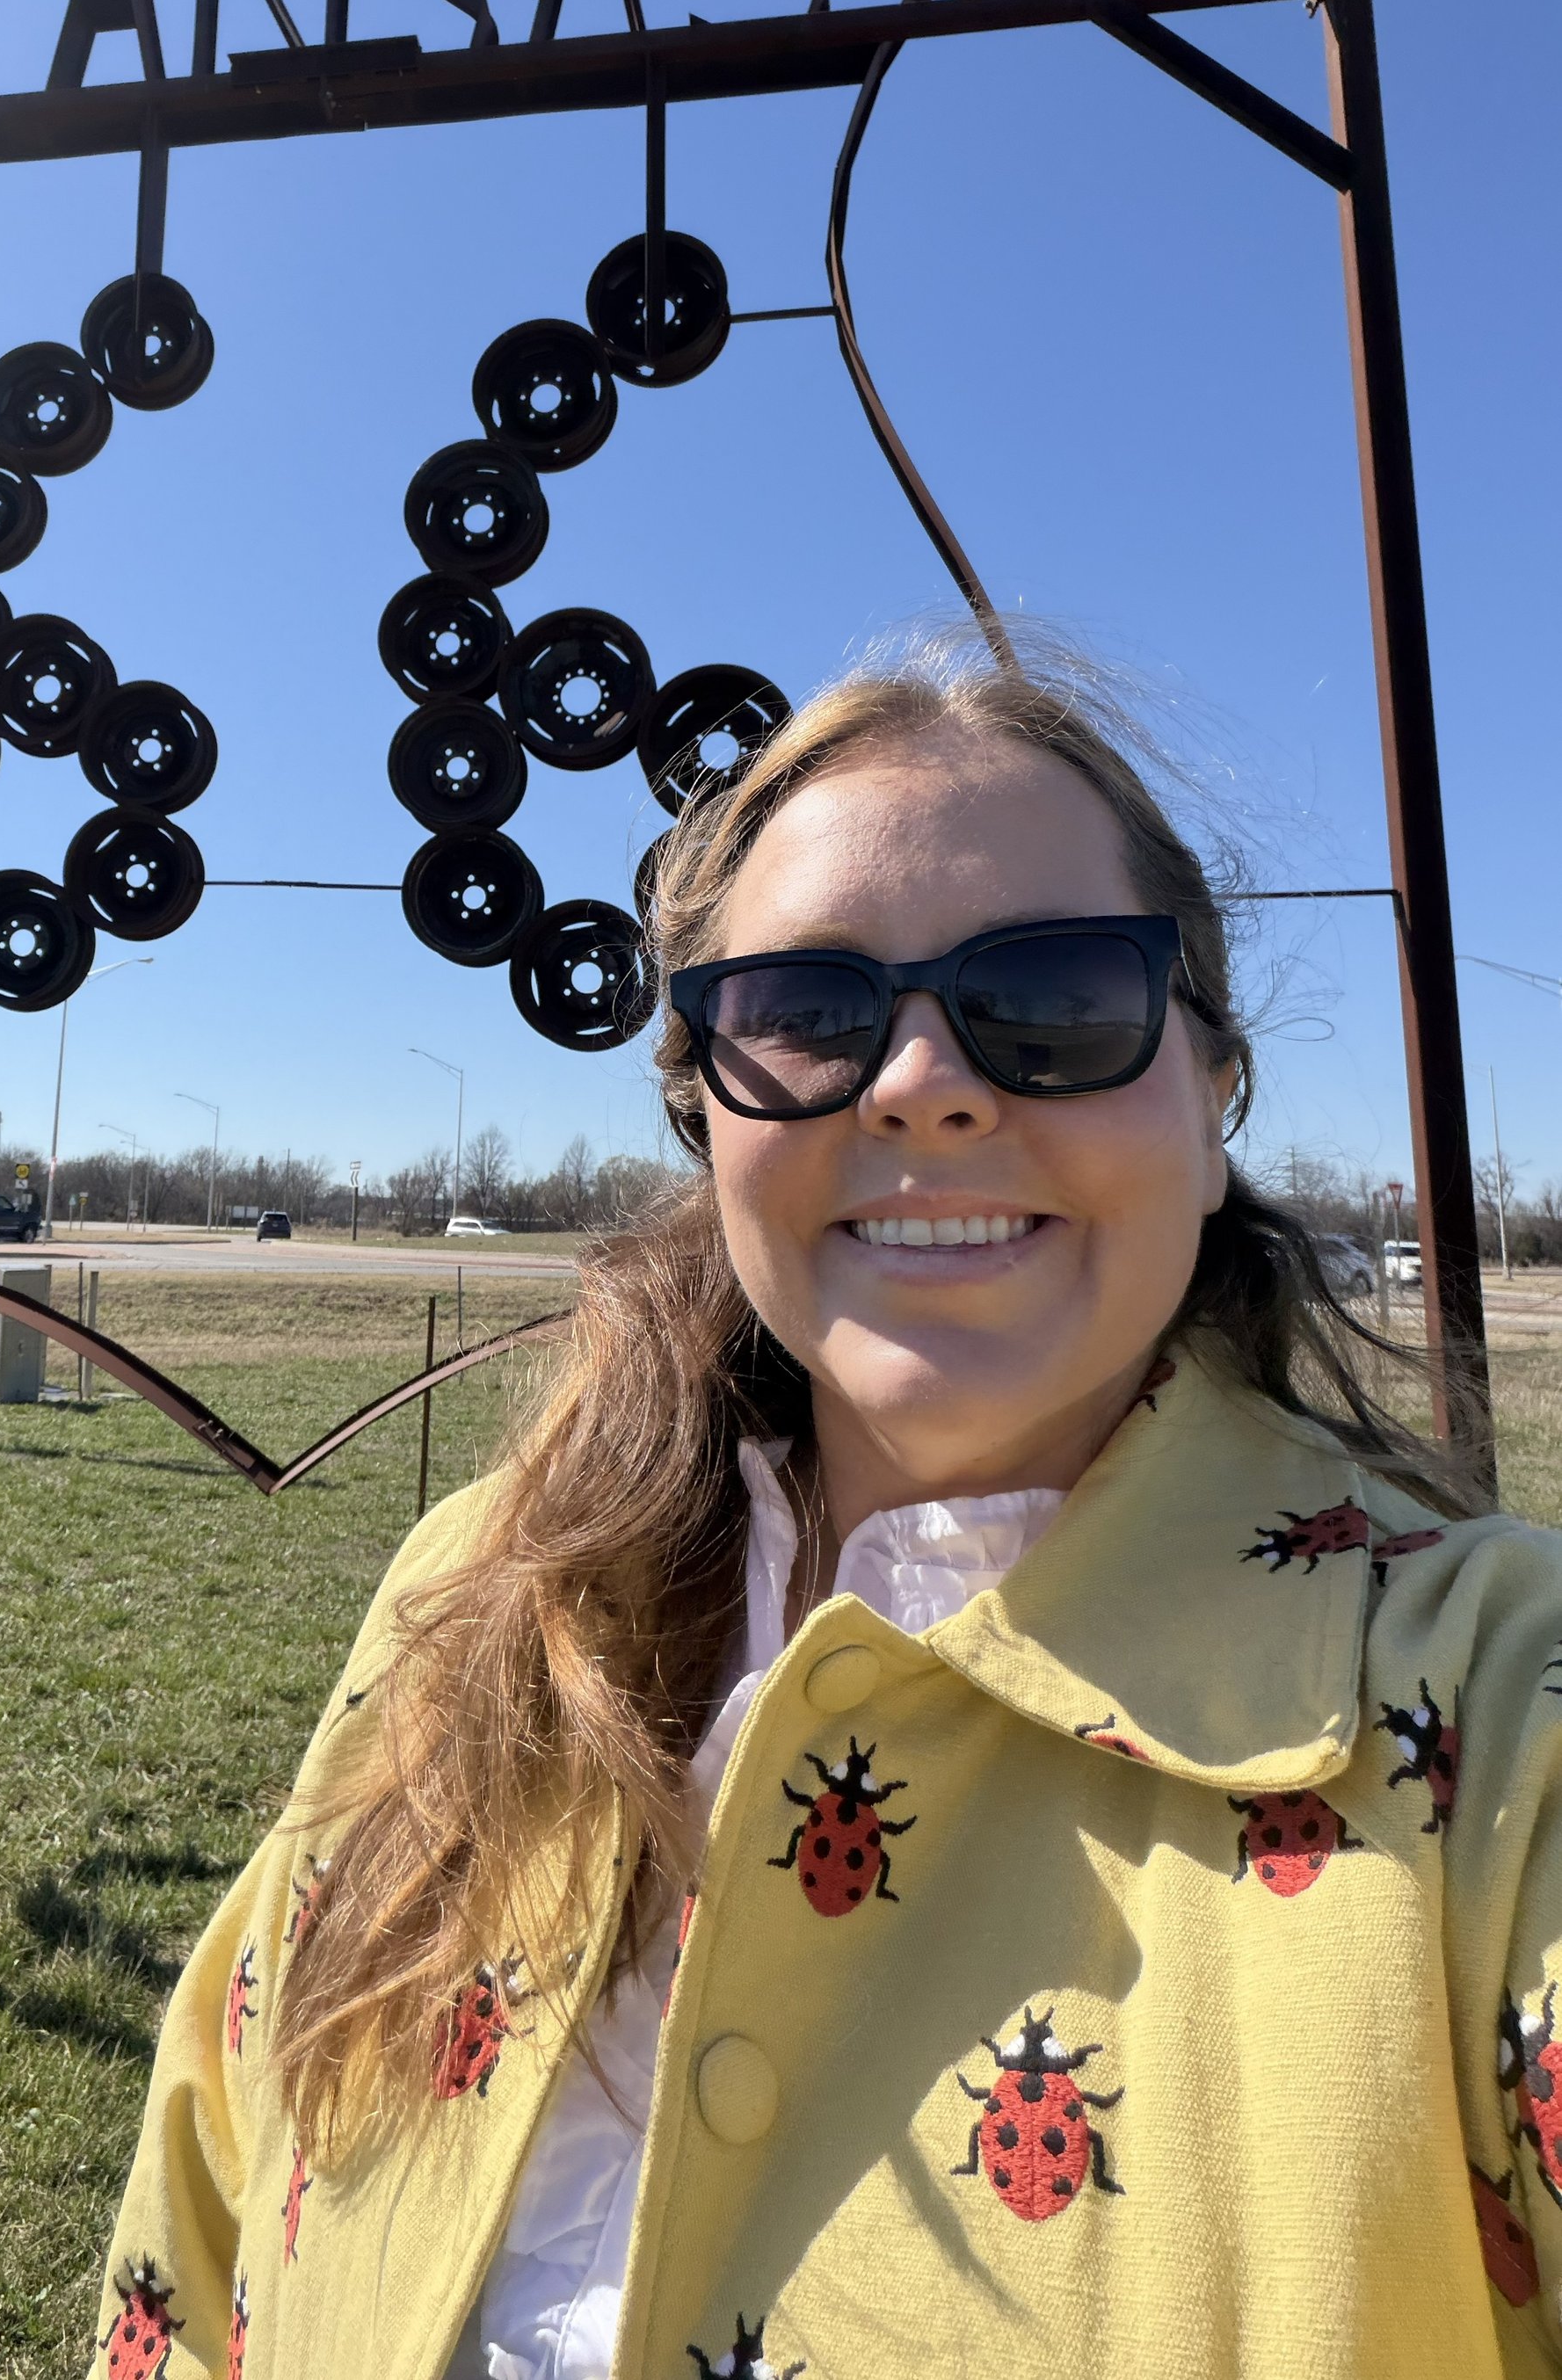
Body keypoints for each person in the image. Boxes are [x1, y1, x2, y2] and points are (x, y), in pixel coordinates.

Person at [92, 638, 1560, 2380]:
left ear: (1210, 1092)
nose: (919, 1079)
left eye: (1055, 992)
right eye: (806, 1008)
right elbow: (200, 2217)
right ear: (707, 1111)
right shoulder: (485, 1590)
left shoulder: (1497, 1721)